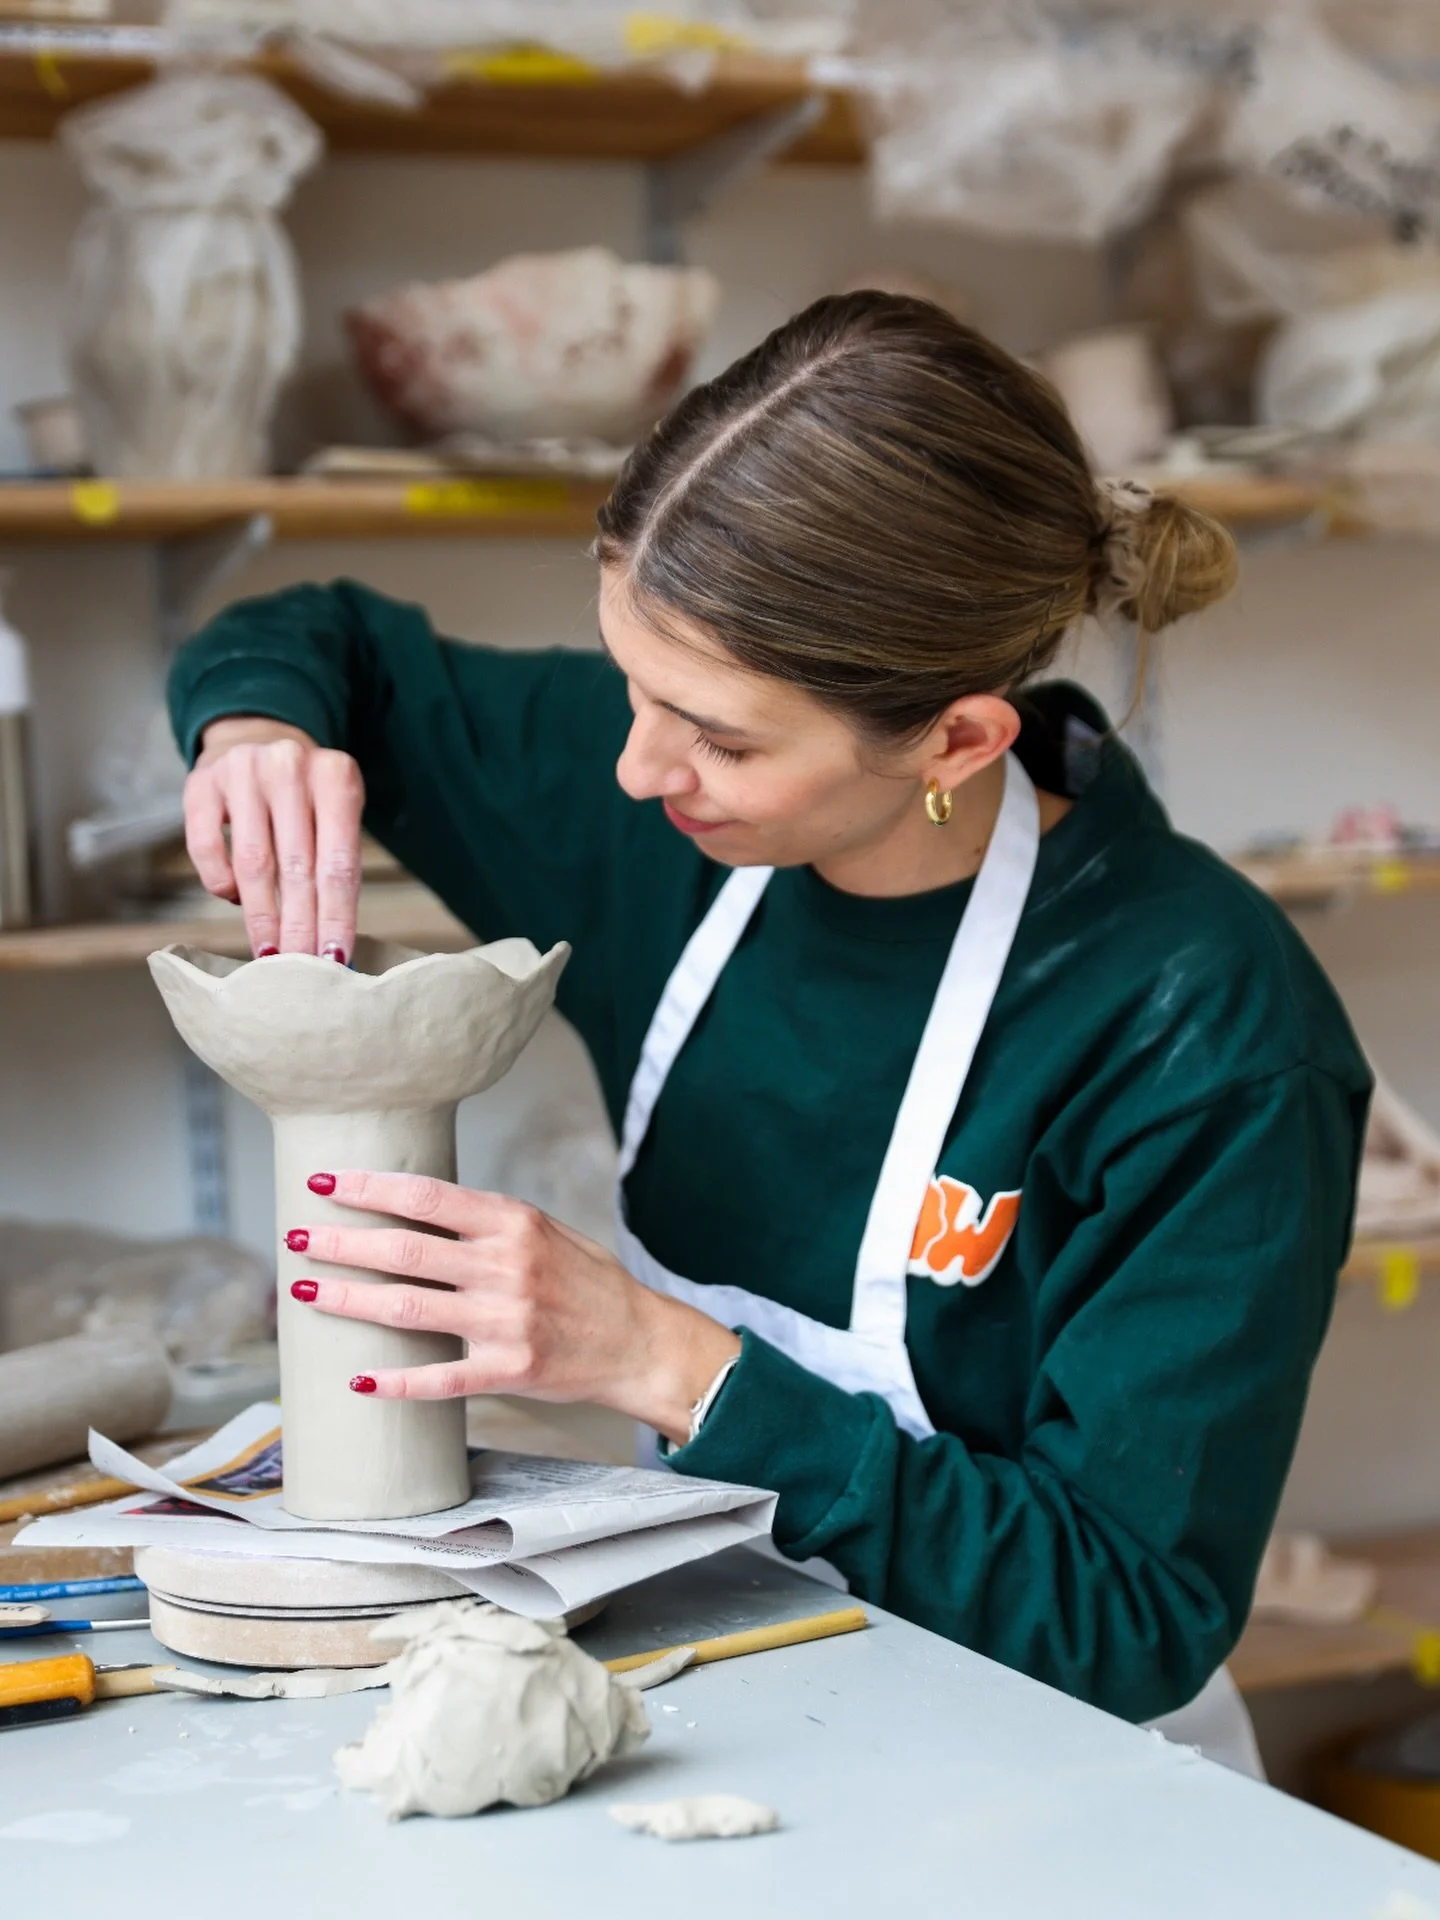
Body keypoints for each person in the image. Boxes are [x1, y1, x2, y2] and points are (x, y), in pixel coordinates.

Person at [169, 293, 1370, 1763]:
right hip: (747, 1698)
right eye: (631, 683)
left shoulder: (1201, 1029)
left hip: (1062, 1773)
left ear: (957, 740)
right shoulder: (679, 821)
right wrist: (260, 738)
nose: (631, 766)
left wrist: (668, 1365)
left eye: (719, 733)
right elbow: (313, 636)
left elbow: (1124, 1616)